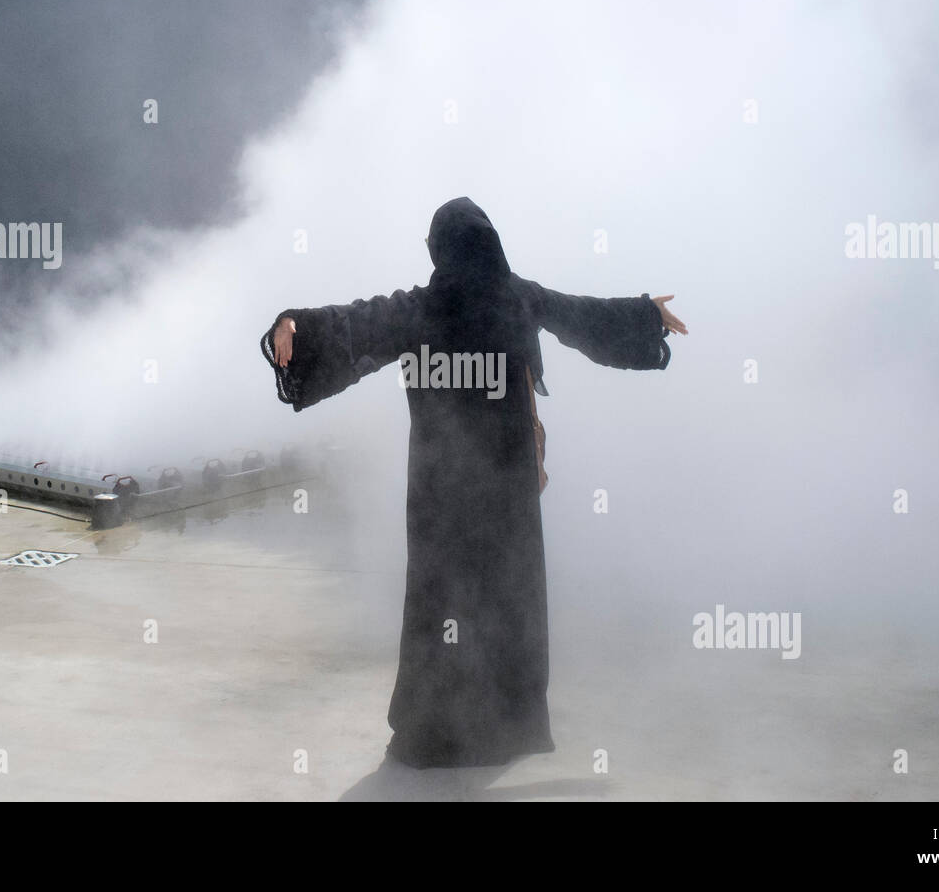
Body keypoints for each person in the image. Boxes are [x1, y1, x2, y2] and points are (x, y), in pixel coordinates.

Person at [260, 196, 687, 769]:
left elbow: (355, 323)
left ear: (440, 248)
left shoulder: (427, 307)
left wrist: (295, 325)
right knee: (502, 596)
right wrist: (643, 316)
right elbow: (581, 316)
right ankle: (504, 726)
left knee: (447, 603)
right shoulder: (512, 298)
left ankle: (436, 733)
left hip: (445, 491)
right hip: (496, 487)